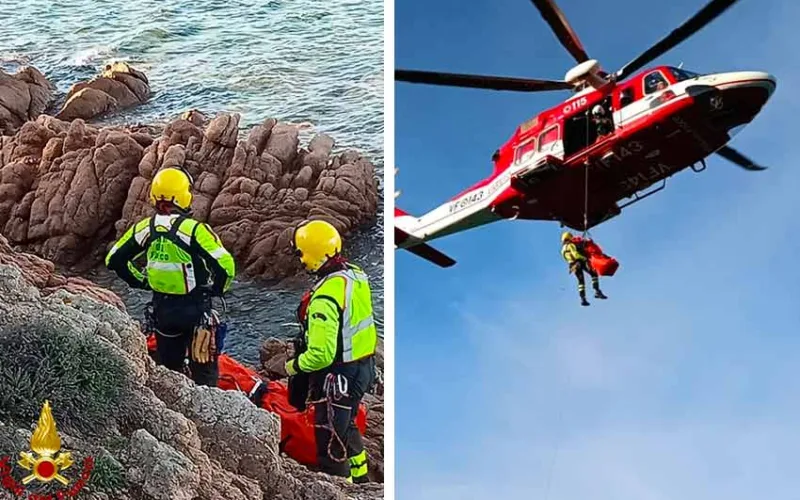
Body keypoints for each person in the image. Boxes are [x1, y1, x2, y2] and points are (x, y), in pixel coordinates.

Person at [105, 167, 235, 386]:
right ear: (183, 195)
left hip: (163, 311)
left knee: (169, 372)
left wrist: (140, 281)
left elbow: (114, 259)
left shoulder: (144, 228)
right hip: (195, 311)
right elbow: (226, 266)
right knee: (204, 372)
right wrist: (217, 288)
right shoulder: (194, 230)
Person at [284, 219, 377, 484]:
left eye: (302, 254)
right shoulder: (355, 276)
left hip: (340, 377)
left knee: (330, 441)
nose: (300, 260)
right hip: (363, 369)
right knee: (346, 426)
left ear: (312, 255)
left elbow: (321, 355)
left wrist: (291, 367)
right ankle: (360, 480)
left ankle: (340, 487)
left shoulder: (325, 297)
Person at [561, 231, 607, 306]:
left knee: (581, 282)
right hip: (579, 262)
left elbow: (566, 258)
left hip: (572, 266)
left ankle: (583, 299)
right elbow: (575, 254)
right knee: (593, 273)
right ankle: (597, 291)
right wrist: (585, 258)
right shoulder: (570, 245)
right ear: (569, 237)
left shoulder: (562, 250)